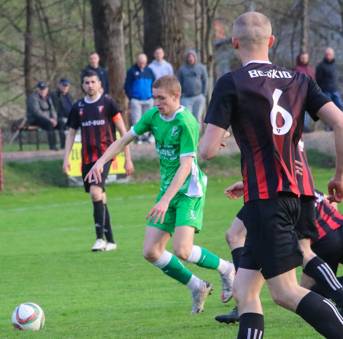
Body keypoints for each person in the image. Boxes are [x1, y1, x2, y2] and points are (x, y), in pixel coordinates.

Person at [193, 12, 343, 339]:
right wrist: (340, 177)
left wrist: (222, 132)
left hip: (269, 203)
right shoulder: (299, 80)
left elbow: (207, 151)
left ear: (234, 44)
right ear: (273, 41)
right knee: (247, 291)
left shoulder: (231, 83)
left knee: (284, 292)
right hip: (297, 195)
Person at [88, 75, 235, 314]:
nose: (156, 102)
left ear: (176, 96)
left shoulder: (186, 122)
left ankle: (227, 268)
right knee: (151, 252)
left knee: (182, 250)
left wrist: (165, 200)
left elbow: (186, 166)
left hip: (189, 191)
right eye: (154, 97)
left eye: (161, 98)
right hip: (168, 190)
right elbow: (124, 139)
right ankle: (197, 286)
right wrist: (101, 161)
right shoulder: (153, 117)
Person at [215, 185, 343, 324]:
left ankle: (342, 288)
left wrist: (251, 184)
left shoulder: (273, 146)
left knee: (301, 288)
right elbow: (330, 200)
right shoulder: (298, 164)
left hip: (310, 226)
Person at [62, 71, 134, 251]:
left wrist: (128, 159)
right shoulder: (78, 107)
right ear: (82, 85)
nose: (90, 85)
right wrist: (66, 159)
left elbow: (124, 133)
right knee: (99, 196)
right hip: (87, 159)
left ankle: (99, 239)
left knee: (95, 192)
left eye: (93, 82)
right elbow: (71, 134)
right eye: (86, 82)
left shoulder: (108, 104)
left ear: (99, 83)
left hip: (105, 157)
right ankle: (111, 241)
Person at [124, 53, 155, 142]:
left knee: (147, 119)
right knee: (137, 119)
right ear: (137, 61)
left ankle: (146, 136)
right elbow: (127, 86)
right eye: (140, 62)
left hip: (148, 99)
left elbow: (154, 84)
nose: (142, 65)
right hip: (136, 99)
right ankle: (138, 137)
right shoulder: (131, 71)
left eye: (143, 63)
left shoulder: (149, 71)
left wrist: (153, 96)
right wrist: (131, 98)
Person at [177, 51, 209, 125]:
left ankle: (197, 135)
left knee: (197, 118)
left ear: (195, 58)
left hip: (199, 97)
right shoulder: (182, 69)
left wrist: (204, 94)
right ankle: (189, 135)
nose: (190, 59)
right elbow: (179, 83)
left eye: (192, 57)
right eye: (189, 57)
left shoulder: (201, 68)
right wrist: (180, 96)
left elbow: (205, 80)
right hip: (186, 98)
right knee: (187, 118)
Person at [26, 82, 59, 151]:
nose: (42, 91)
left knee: (61, 123)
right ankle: (53, 146)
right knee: (49, 124)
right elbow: (37, 112)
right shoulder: (33, 98)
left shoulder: (48, 98)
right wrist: (49, 119)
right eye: (41, 90)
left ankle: (64, 146)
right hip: (35, 119)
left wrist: (55, 119)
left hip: (47, 119)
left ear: (47, 90)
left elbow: (52, 109)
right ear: (38, 90)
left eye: (44, 89)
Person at [315, 47, 343, 113]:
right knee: (328, 109)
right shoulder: (321, 66)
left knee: (340, 105)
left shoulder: (335, 65)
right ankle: (328, 123)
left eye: (329, 55)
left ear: (333, 55)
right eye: (326, 55)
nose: (328, 56)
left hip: (334, 90)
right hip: (325, 91)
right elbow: (318, 79)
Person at [294, 52, 316, 132]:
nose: (304, 60)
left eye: (305, 58)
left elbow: (314, 81)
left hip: (310, 93)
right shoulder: (296, 70)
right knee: (302, 111)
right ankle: (301, 127)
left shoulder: (310, 69)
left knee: (308, 111)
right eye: (302, 58)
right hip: (300, 94)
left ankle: (304, 126)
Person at [53, 78, 74, 148]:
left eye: (66, 86)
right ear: (59, 85)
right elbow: (55, 109)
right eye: (63, 85)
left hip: (70, 117)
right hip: (60, 117)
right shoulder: (55, 95)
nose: (65, 87)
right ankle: (63, 146)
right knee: (62, 123)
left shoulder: (69, 96)